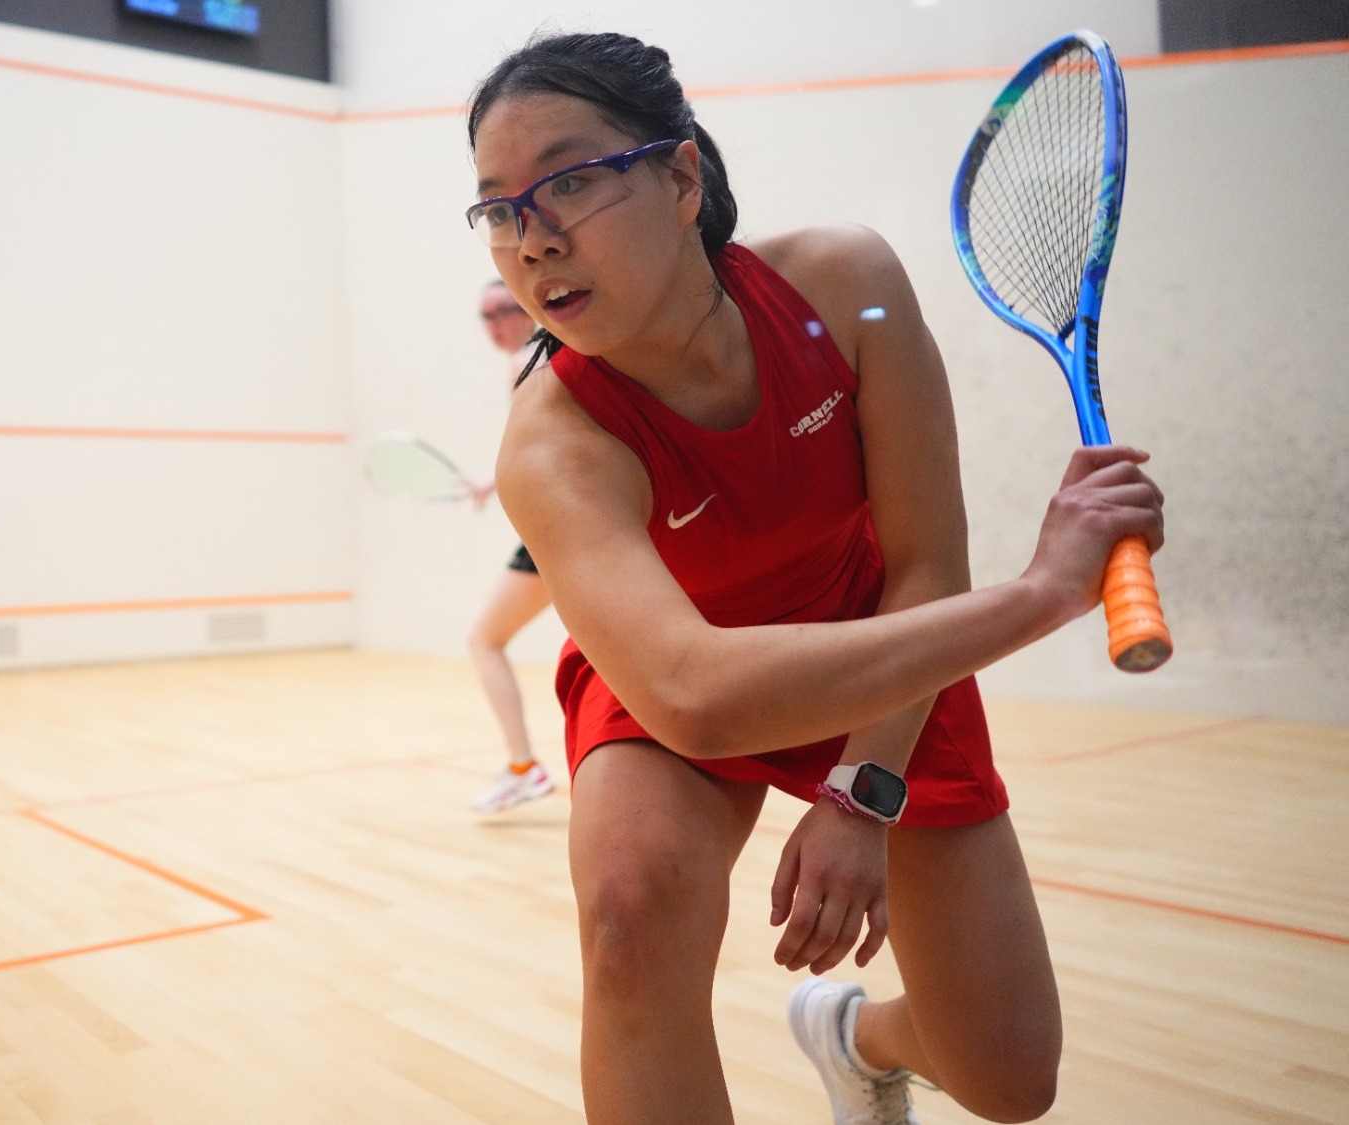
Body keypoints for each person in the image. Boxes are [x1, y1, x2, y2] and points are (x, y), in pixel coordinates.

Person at [465, 32, 1164, 1125]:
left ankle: (856, 1035)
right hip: (673, 668)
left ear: (680, 173)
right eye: (500, 208)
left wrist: (861, 789)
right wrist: (1038, 597)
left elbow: (925, 559)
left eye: (569, 181)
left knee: (1007, 1081)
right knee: (626, 914)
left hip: (878, 644)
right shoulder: (551, 446)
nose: (532, 239)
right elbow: (691, 692)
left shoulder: (845, 286)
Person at [468, 280, 558, 813]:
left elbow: (537, 457)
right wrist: (493, 477)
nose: (498, 322)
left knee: (484, 640)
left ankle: (524, 767)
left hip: (553, 533)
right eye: (487, 315)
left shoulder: (528, 359)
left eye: (506, 309)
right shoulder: (549, 353)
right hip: (568, 529)